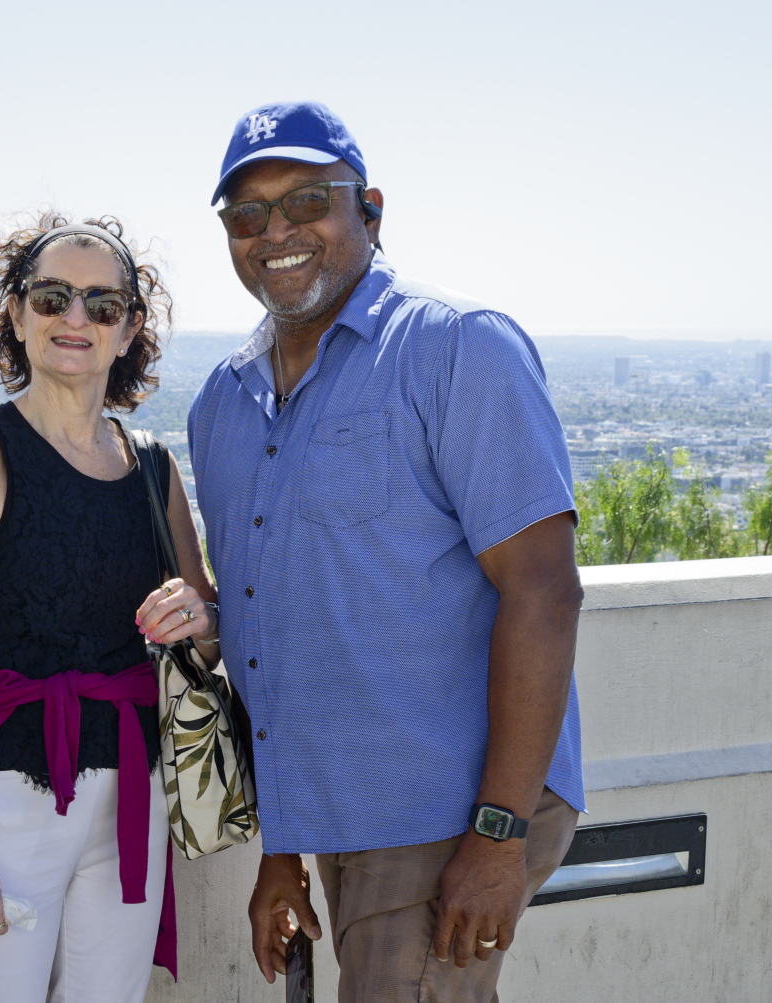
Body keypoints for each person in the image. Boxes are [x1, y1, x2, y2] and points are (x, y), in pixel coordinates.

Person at [187, 102, 586, 1002]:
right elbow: (266, 633)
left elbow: (543, 592)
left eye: (306, 202)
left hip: (448, 812)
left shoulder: (455, 346)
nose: (276, 231)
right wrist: (282, 848)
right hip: (342, 816)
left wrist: (496, 834)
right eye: (247, 215)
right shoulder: (222, 404)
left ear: (369, 209)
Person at [0, 215, 212, 1002]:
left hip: (130, 800)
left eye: (102, 305)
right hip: (5, 801)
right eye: (52, 297)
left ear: (130, 327)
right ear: (16, 312)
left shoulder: (154, 471)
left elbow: (207, 636)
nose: (76, 319)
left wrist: (202, 618)